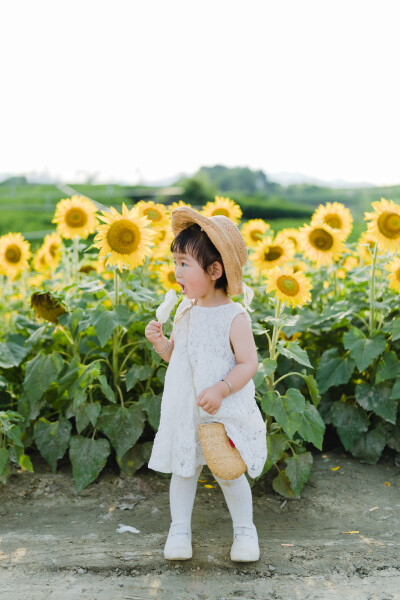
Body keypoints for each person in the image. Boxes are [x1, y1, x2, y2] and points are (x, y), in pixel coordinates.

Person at [144, 206, 267, 562]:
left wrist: (222, 388)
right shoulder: (186, 310)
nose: (176, 272)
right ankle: (179, 529)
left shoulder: (234, 317)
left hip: (221, 410)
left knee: (228, 471)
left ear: (215, 271)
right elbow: (180, 359)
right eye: (175, 262)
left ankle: (245, 531)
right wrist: (162, 345)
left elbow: (248, 363)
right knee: (184, 470)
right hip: (187, 408)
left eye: (185, 264)